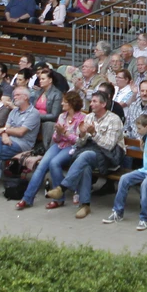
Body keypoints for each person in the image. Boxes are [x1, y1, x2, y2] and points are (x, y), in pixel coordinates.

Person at [45, 90, 125, 218]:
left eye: (94, 101)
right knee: (85, 164)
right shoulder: (89, 117)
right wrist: (82, 135)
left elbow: (109, 146)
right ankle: (85, 205)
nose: (91, 104)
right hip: (92, 152)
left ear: (103, 104)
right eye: (91, 101)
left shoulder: (114, 119)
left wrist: (94, 133)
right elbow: (79, 143)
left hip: (110, 156)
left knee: (85, 156)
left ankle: (62, 188)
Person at [102, 114, 147, 231]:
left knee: (145, 184)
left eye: (139, 128)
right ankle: (117, 212)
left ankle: (144, 219)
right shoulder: (145, 137)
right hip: (145, 170)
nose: (137, 131)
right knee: (124, 178)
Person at [18, 90, 85, 209]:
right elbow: (56, 138)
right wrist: (58, 133)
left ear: (71, 103)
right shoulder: (62, 116)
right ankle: (27, 198)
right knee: (41, 165)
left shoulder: (82, 118)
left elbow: (78, 140)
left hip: (72, 148)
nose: (62, 104)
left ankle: (58, 198)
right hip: (59, 145)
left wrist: (64, 133)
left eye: (64, 102)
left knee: (54, 163)